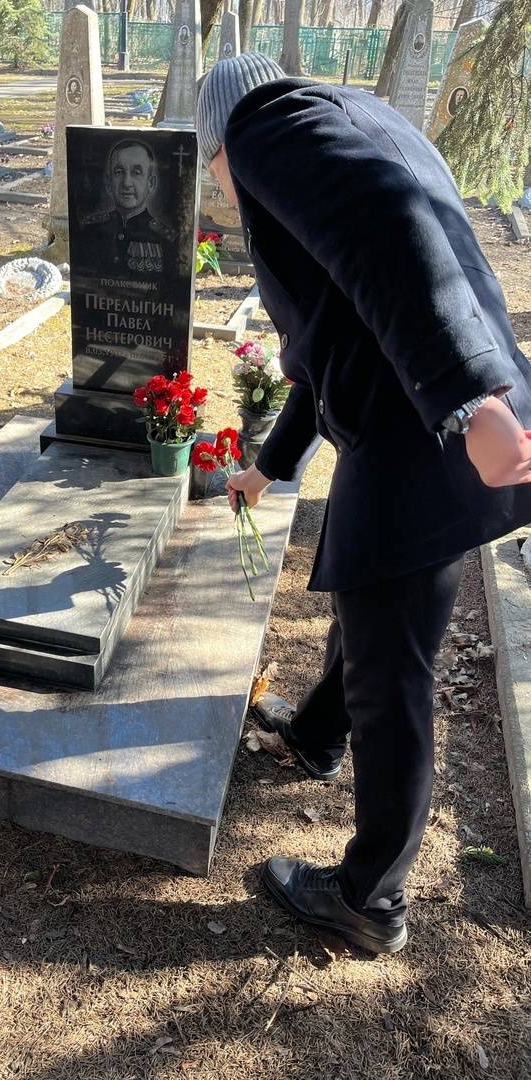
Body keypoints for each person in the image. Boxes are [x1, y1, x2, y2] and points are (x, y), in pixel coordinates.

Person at [196, 53, 531, 954]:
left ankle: (369, 898)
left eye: (212, 171)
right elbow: (337, 336)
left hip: (428, 433)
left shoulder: (266, 128)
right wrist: (269, 468)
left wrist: (469, 398)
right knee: (368, 604)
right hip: (417, 426)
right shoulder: (358, 119)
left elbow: (394, 232)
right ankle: (314, 735)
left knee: (392, 675)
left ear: (219, 139)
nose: (223, 192)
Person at [82, 139, 174, 276]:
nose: (126, 183)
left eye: (137, 172)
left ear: (151, 183)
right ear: (108, 182)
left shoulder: (165, 238)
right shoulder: (90, 229)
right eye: (119, 172)